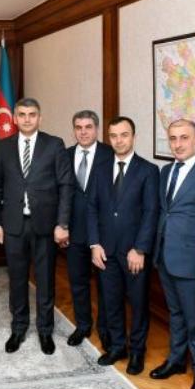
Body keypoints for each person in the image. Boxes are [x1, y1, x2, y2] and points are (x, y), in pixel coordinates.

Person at [0, 97, 73, 355]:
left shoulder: (54, 144)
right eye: (22, 114)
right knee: (16, 280)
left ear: (40, 117)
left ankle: (45, 331)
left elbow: (65, 186)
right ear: (15, 118)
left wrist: (62, 223)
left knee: (45, 280)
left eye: (32, 114)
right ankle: (18, 328)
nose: (27, 119)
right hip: (13, 224)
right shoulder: (4, 146)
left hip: (45, 225)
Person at [150, 119, 195, 389]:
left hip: (191, 261)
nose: (178, 144)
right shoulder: (166, 171)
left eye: (184, 138)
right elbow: (164, 212)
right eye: (173, 138)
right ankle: (177, 360)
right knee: (175, 314)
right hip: (165, 256)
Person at [88, 116, 159, 375]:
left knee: (138, 304)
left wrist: (140, 248)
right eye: (114, 136)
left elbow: (151, 212)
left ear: (133, 137)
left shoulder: (148, 170)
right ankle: (118, 346)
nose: (119, 140)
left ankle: (137, 351)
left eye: (124, 135)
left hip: (133, 253)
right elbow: (92, 207)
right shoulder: (100, 168)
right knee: (111, 301)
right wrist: (94, 244)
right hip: (105, 250)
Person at [64, 110, 112, 349]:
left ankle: (105, 329)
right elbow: (59, 194)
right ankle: (83, 325)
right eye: (78, 127)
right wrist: (61, 225)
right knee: (78, 282)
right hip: (73, 232)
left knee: (105, 286)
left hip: (103, 235)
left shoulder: (110, 154)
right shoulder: (65, 155)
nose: (83, 132)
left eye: (88, 127)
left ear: (97, 129)